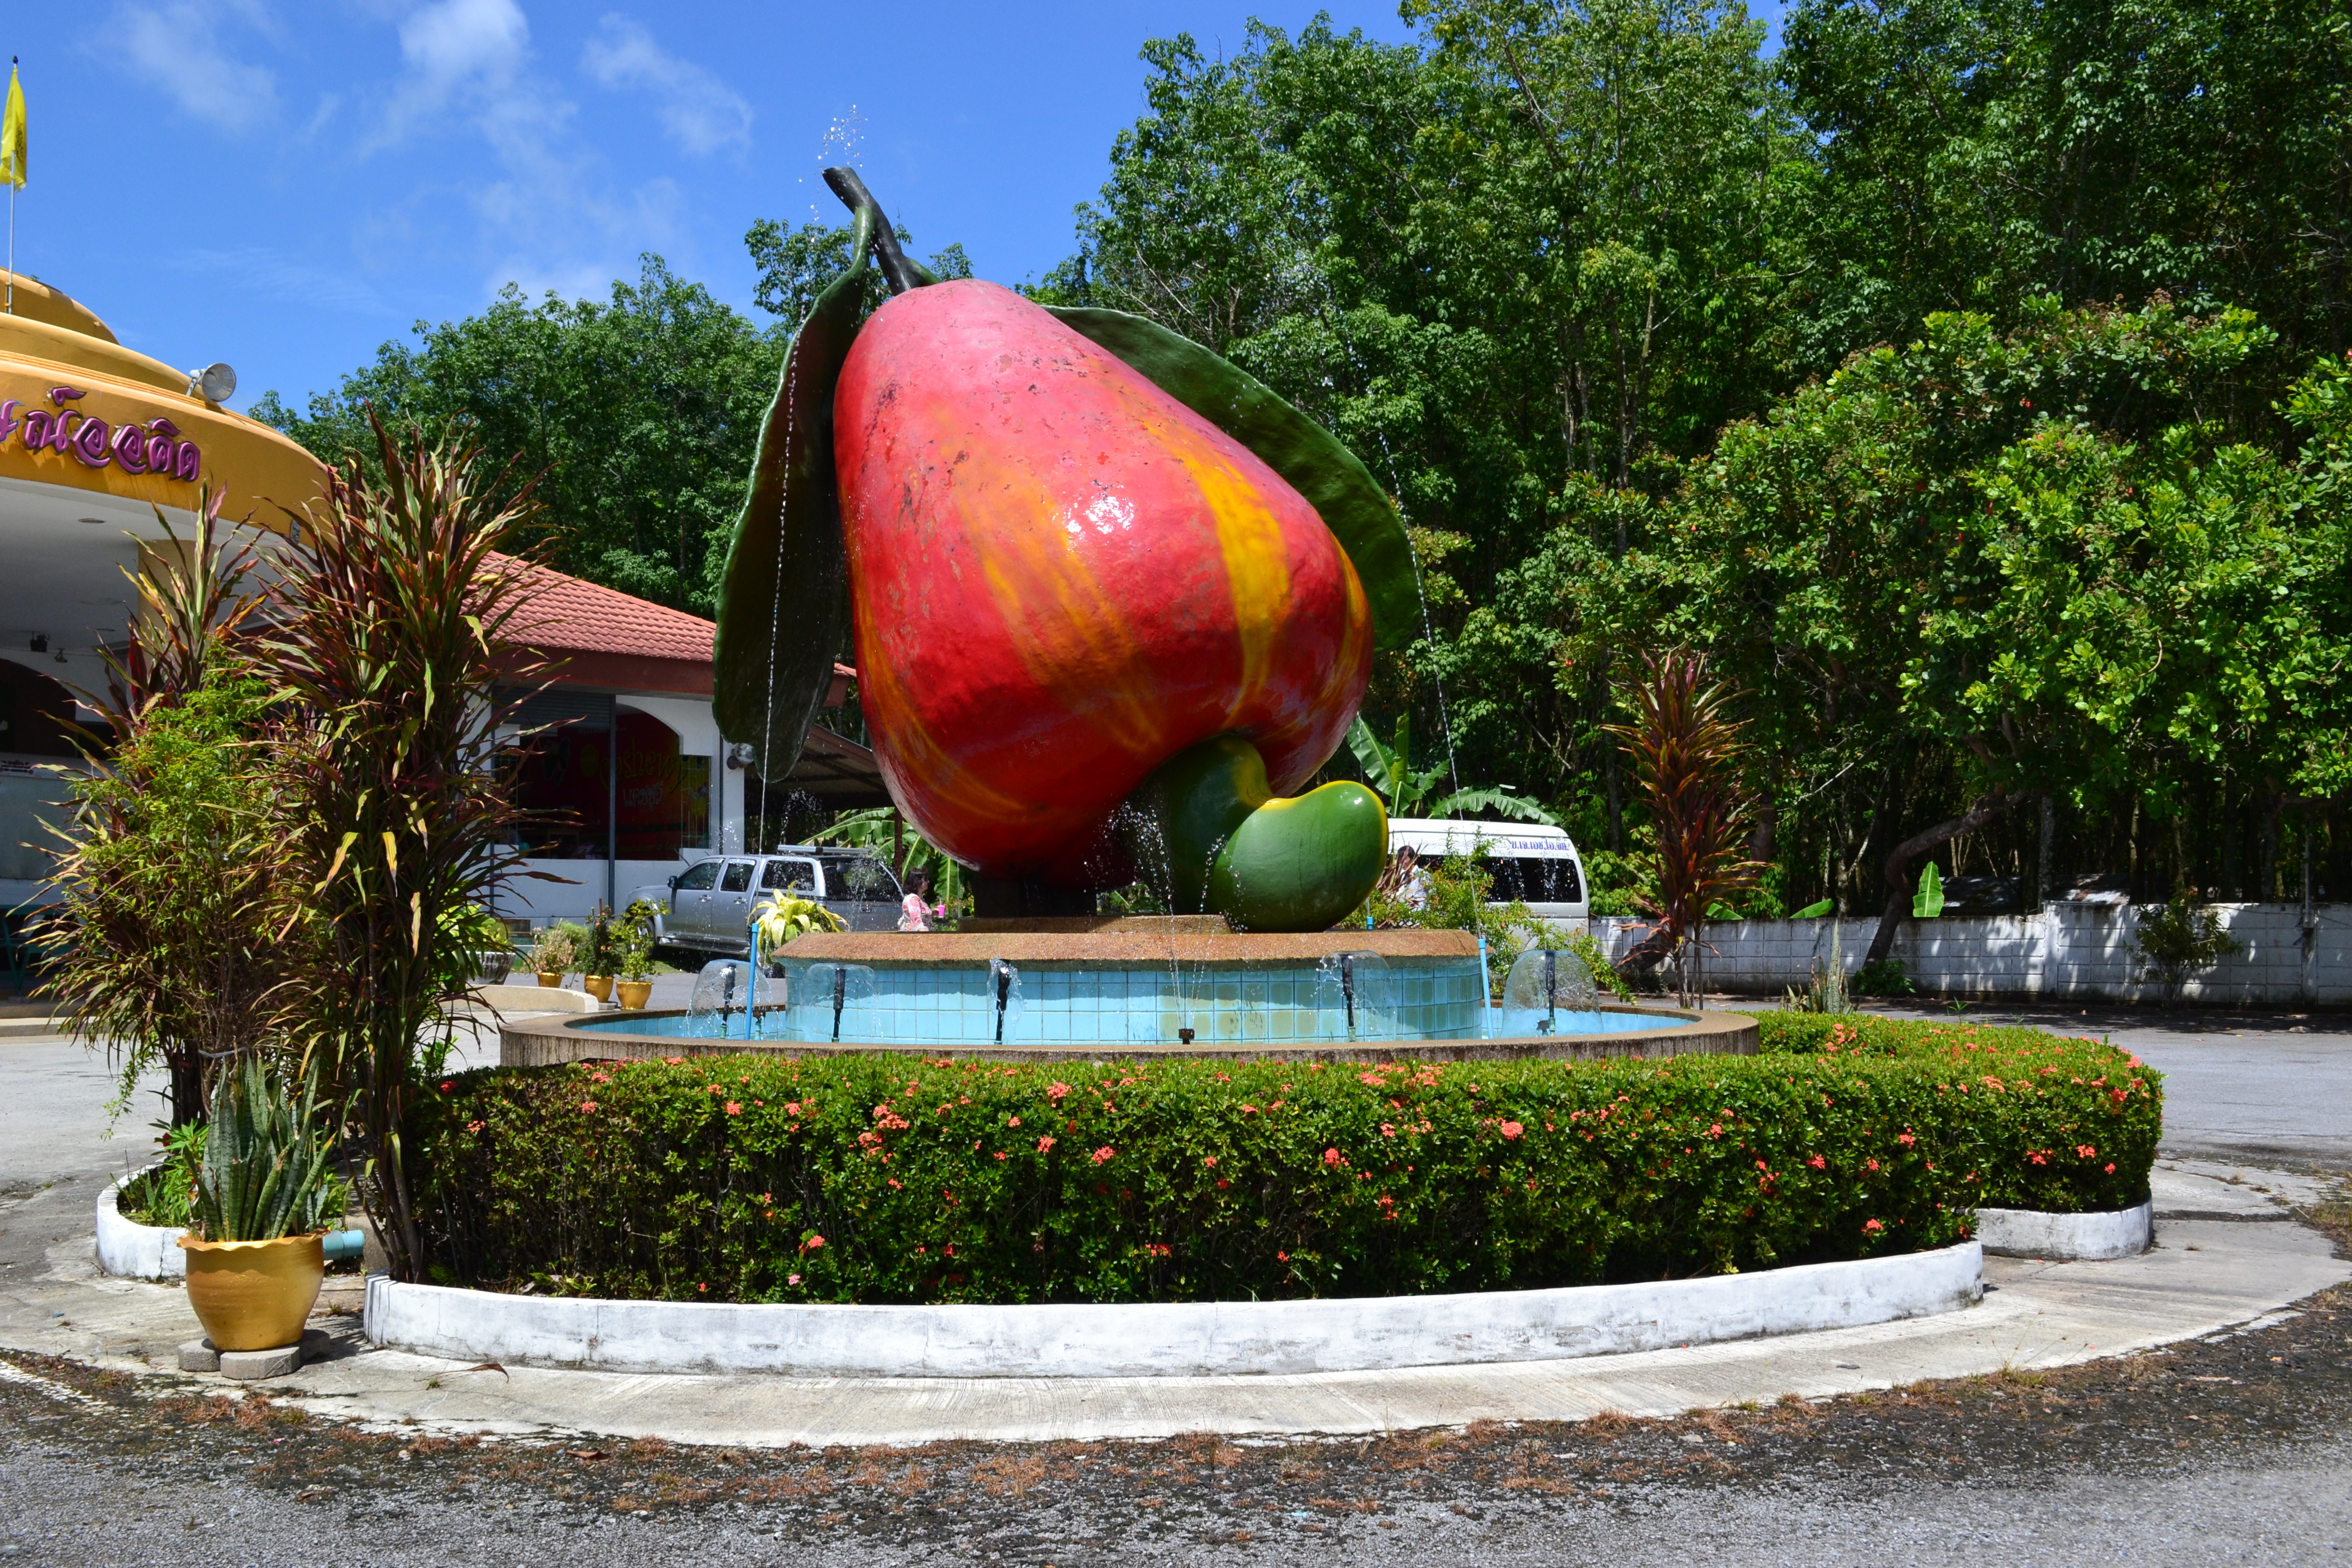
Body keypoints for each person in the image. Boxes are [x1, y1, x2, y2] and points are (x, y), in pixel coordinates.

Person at [899, 868, 944, 932]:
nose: (928, 881)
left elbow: (921, 916)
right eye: (925, 879)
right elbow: (917, 923)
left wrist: (933, 913)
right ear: (918, 881)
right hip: (916, 937)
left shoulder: (919, 898)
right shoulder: (913, 900)